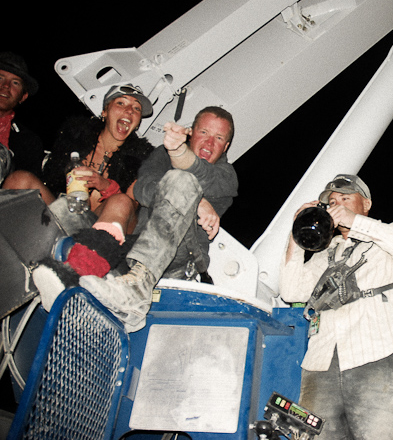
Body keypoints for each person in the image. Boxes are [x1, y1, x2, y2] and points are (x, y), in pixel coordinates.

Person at [32, 106, 238, 333]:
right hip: (134, 246)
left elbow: (198, 174)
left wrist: (180, 159)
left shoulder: (226, 175)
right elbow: (141, 188)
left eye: (218, 138)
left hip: (178, 256)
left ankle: (138, 294)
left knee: (183, 181)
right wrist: (197, 201)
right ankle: (70, 277)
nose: (209, 143)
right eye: (204, 133)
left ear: (226, 146)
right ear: (191, 132)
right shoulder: (162, 153)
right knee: (66, 208)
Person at [279, 174, 393, 440]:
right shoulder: (326, 253)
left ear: (366, 204)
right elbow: (290, 291)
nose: (337, 205)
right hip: (320, 367)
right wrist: (296, 233)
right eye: (332, 201)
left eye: (346, 198)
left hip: (379, 360)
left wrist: (354, 222)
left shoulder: (389, 234)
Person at [3, 83, 154, 277]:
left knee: (121, 201)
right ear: (105, 111)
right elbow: (50, 178)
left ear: (138, 121)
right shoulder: (74, 138)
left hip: (101, 225)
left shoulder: (142, 158)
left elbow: (131, 205)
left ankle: (81, 270)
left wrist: (107, 186)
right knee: (20, 178)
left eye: (136, 109)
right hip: (64, 211)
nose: (129, 110)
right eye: (121, 103)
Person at [0, 51, 44, 179]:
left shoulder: (28, 143)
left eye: (15, 83)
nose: (6, 86)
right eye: (0, 78)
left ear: (23, 97)